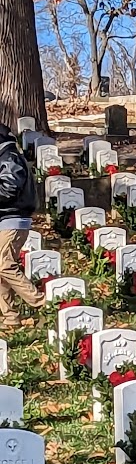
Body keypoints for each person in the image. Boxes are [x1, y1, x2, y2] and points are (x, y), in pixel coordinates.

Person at [0, 124, 44, 329]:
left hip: (13, 220)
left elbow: (9, 189)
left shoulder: (9, 158)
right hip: (6, 219)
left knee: (4, 264)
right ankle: (10, 317)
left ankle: (41, 302)